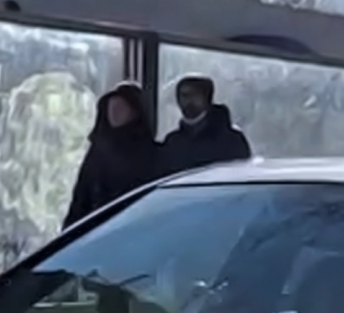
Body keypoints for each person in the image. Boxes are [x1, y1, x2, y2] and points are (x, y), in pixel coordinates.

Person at [65, 81, 160, 226]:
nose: (114, 113)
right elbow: (81, 196)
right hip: (96, 224)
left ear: (134, 112)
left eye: (121, 108)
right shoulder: (98, 150)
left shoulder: (149, 152)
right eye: (111, 108)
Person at [159, 74, 252, 173]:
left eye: (195, 95)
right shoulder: (173, 141)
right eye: (183, 95)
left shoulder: (232, 140)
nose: (188, 101)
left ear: (208, 98)